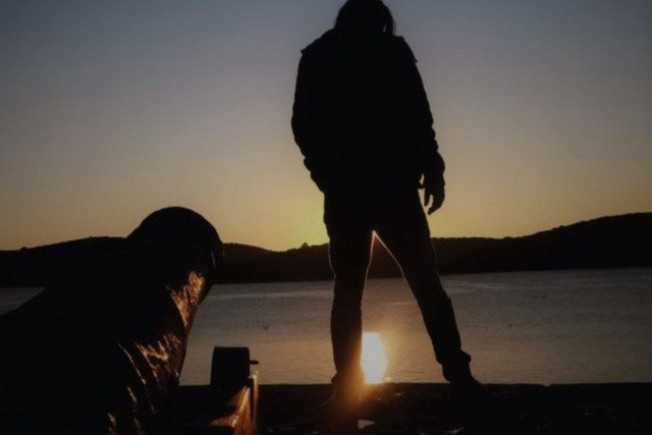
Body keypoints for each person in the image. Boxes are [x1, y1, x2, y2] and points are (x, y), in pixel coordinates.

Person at [291, 0, 484, 414]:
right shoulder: (324, 57)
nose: (375, 31)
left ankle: (458, 375)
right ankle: (350, 385)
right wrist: (325, 174)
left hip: (390, 189)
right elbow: (303, 124)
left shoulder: (388, 52)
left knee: (416, 282)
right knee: (360, 288)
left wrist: (433, 167)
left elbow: (420, 115)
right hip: (354, 192)